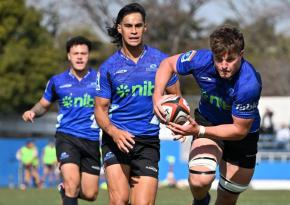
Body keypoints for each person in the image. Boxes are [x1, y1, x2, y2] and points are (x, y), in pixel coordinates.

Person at [153, 25, 262, 205]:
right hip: (209, 121)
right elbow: (168, 64)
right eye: (218, 59)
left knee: (227, 198)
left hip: (242, 135)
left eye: (230, 59)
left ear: (241, 55)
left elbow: (239, 130)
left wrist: (199, 130)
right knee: (199, 180)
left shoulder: (248, 84)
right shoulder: (201, 60)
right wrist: (157, 96)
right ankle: (201, 201)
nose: (224, 65)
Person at [94, 3, 180, 205]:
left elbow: (175, 98)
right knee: (120, 200)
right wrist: (114, 133)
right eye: (129, 26)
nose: (133, 31)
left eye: (138, 26)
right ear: (119, 28)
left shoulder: (161, 61)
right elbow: (100, 110)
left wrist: (177, 122)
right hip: (116, 140)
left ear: (145, 27)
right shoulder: (108, 67)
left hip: (147, 141)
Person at [22, 36, 101, 205]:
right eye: (75, 53)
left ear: (88, 55)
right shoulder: (57, 81)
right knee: (72, 184)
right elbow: (43, 105)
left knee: (91, 194)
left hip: (91, 139)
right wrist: (33, 112)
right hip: (67, 137)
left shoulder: (100, 80)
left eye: (83, 53)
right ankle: (68, 189)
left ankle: (64, 190)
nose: (79, 57)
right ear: (69, 56)